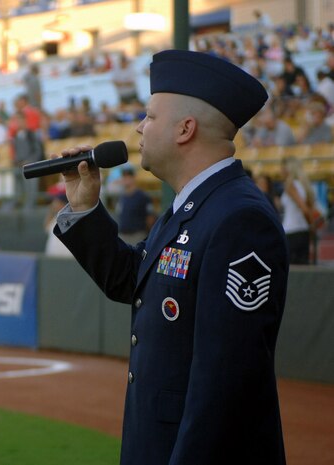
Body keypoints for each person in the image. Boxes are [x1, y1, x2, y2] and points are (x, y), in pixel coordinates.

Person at [53, 50, 287, 464]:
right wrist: (86, 208)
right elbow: (133, 281)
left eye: (150, 116)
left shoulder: (238, 217)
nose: (140, 127)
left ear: (185, 129)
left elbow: (224, 382)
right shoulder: (192, 207)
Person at [280, 157, 316, 264]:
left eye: (283, 168)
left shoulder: (291, 185)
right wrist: (311, 226)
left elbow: (304, 209)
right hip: (303, 232)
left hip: (292, 232)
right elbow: (309, 209)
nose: (280, 171)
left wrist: (311, 225)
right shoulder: (304, 186)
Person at [115, 167, 156, 244]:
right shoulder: (122, 196)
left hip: (137, 235)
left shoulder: (142, 196)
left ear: (133, 178)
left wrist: (151, 237)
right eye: (124, 177)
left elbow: (150, 218)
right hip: (123, 235)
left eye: (128, 177)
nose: (126, 179)